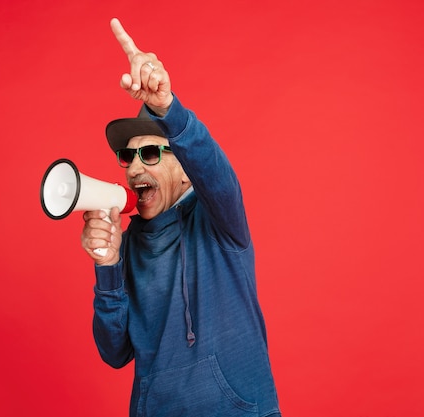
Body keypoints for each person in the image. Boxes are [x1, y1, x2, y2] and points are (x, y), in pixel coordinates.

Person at [81, 18, 282, 417]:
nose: (135, 168)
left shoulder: (220, 219)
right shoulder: (130, 244)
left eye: (151, 153)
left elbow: (213, 168)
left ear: (185, 167)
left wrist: (166, 107)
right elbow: (114, 351)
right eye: (128, 156)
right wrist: (107, 267)